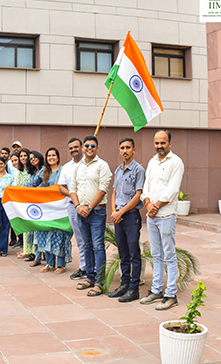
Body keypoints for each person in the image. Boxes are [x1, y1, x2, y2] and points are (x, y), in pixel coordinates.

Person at [140, 130, 185, 311]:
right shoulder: (152, 162)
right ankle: (157, 290)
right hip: (152, 215)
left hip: (166, 215)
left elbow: (173, 189)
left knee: (169, 255)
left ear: (170, 143)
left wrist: (155, 206)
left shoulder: (176, 162)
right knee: (156, 255)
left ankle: (171, 295)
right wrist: (148, 203)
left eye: (163, 143)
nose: (159, 146)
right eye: (157, 143)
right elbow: (146, 186)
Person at [69, 135, 112, 297]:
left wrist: (89, 207)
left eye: (93, 146)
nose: (89, 148)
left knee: (98, 246)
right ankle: (90, 278)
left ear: (97, 148)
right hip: (81, 212)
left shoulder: (102, 165)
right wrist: (78, 206)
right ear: (82, 148)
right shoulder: (78, 167)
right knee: (86, 245)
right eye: (86, 145)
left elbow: (103, 189)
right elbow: (72, 188)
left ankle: (100, 283)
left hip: (97, 212)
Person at [108, 138, 145, 303]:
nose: (125, 150)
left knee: (133, 253)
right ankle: (124, 284)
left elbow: (138, 196)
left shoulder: (139, 170)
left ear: (134, 150)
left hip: (130, 216)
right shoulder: (117, 170)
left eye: (128, 147)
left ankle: (134, 288)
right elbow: (114, 193)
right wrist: (114, 211)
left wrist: (121, 211)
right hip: (119, 217)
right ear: (119, 151)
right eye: (122, 148)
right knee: (122, 253)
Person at [35, 147, 72, 274]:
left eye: (53, 155)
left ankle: (61, 265)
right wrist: (17, 189)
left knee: (60, 236)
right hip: (47, 210)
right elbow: (33, 186)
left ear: (58, 157)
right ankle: (50, 264)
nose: (51, 157)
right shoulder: (43, 172)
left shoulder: (63, 170)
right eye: (49, 155)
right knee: (46, 235)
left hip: (61, 210)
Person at [58, 137, 86, 281]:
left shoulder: (89, 163)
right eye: (71, 148)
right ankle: (84, 267)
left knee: (91, 239)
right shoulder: (67, 167)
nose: (74, 150)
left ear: (81, 147)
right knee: (80, 238)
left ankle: (94, 267)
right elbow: (61, 187)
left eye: (76, 147)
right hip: (72, 207)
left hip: (88, 206)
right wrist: (74, 195)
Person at [21, 151, 45, 266]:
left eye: (34, 157)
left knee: (40, 231)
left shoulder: (44, 170)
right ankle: (37, 256)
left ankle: (41, 256)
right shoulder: (32, 171)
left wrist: (17, 189)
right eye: (31, 158)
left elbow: (34, 184)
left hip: (42, 204)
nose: (33, 159)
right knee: (34, 231)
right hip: (33, 204)